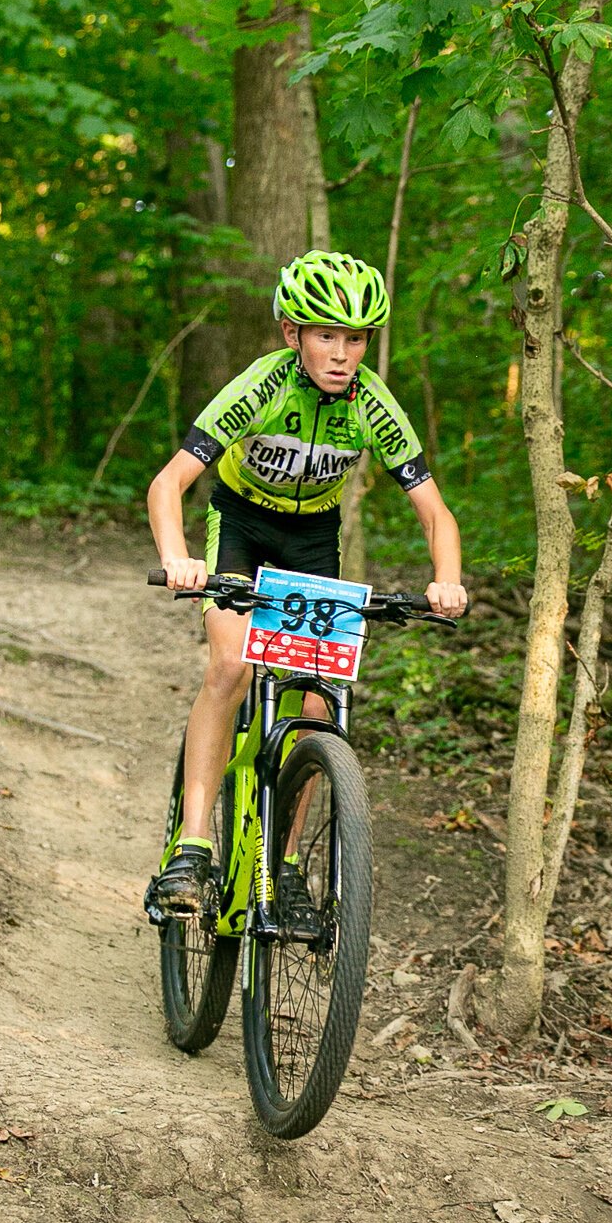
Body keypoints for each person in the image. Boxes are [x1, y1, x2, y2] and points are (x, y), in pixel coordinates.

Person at [144, 250, 466, 925]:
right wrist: (178, 557)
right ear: (292, 333)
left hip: (313, 539)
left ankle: (283, 865)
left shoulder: (374, 405)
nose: (342, 352)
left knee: (318, 707)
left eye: (355, 338)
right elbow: (168, 483)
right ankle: (192, 846)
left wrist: (447, 580)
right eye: (326, 334)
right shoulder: (261, 387)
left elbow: (436, 512)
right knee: (230, 665)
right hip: (241, 525)